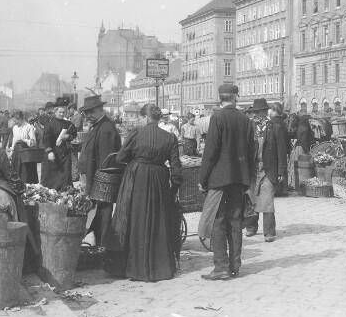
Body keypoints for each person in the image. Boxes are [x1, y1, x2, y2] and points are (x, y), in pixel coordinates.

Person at [105, 104, 181, 281]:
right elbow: (177, 168)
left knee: (132, 218)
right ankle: (159, 268)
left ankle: (130, 267)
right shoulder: (169, 138)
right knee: (158, 220)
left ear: (146, 118)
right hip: (159, 180)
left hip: (136, 178)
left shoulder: (136, 133)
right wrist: (173, 189)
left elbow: (120, 157)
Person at [199, 84, 255, 280]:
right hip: (239, 179)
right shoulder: (245, 119)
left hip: (219, 179)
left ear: (219, 98)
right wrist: (248, 180)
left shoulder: (218, 117)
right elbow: (251, 153)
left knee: (218, 221)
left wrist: (202, 179)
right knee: (235, 222)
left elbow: (210, 152)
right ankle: (235, 266)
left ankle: (221, 266)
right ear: (236, 97)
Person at [244, 100, 288, 242]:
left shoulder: (275, 127)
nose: (259, 115)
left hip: (269, 169)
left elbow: (282, 150)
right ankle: (251, 227)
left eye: (261, 112)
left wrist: (281, 171)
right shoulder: (250, 127)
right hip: (253, 169)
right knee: (251, 199)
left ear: (266, 112)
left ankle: (269, 232)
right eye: (256, 113)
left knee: (267, 199)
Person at [83, 95, 122, 246]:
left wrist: (97, 182)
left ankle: (103, 245)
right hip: (99, 180)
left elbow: (106, 160)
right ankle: (99, 241)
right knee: (99, 212)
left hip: (103, 181)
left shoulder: (106, 128)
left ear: (100, 110)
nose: (88, 116)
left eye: (91, 112)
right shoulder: (99, 125)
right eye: (86, 113)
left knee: (104, 212)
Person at [41, 103, 77, 190]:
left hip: (65, 153)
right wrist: (49, 151)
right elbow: (46, 139)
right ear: (55, 112)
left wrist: (68, 137)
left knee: (65, 175)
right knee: (52, 176)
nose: (62, 114)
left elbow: (74, 133)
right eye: (60, 112)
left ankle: (65, 192)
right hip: (53, 153)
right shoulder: (49, 124)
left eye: (63, 112)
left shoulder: (68, 123)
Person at [9, 110, 38, 183]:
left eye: (16, 121)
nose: (15, 123)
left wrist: (24, 140)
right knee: (16, 170)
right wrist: (11, 152)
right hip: (16, 152)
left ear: (21, 119)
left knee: (26, 171)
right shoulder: (15, 128)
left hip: (26, 152)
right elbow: (14, 140)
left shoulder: (28, 127)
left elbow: (33, 142)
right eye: (14, 121)